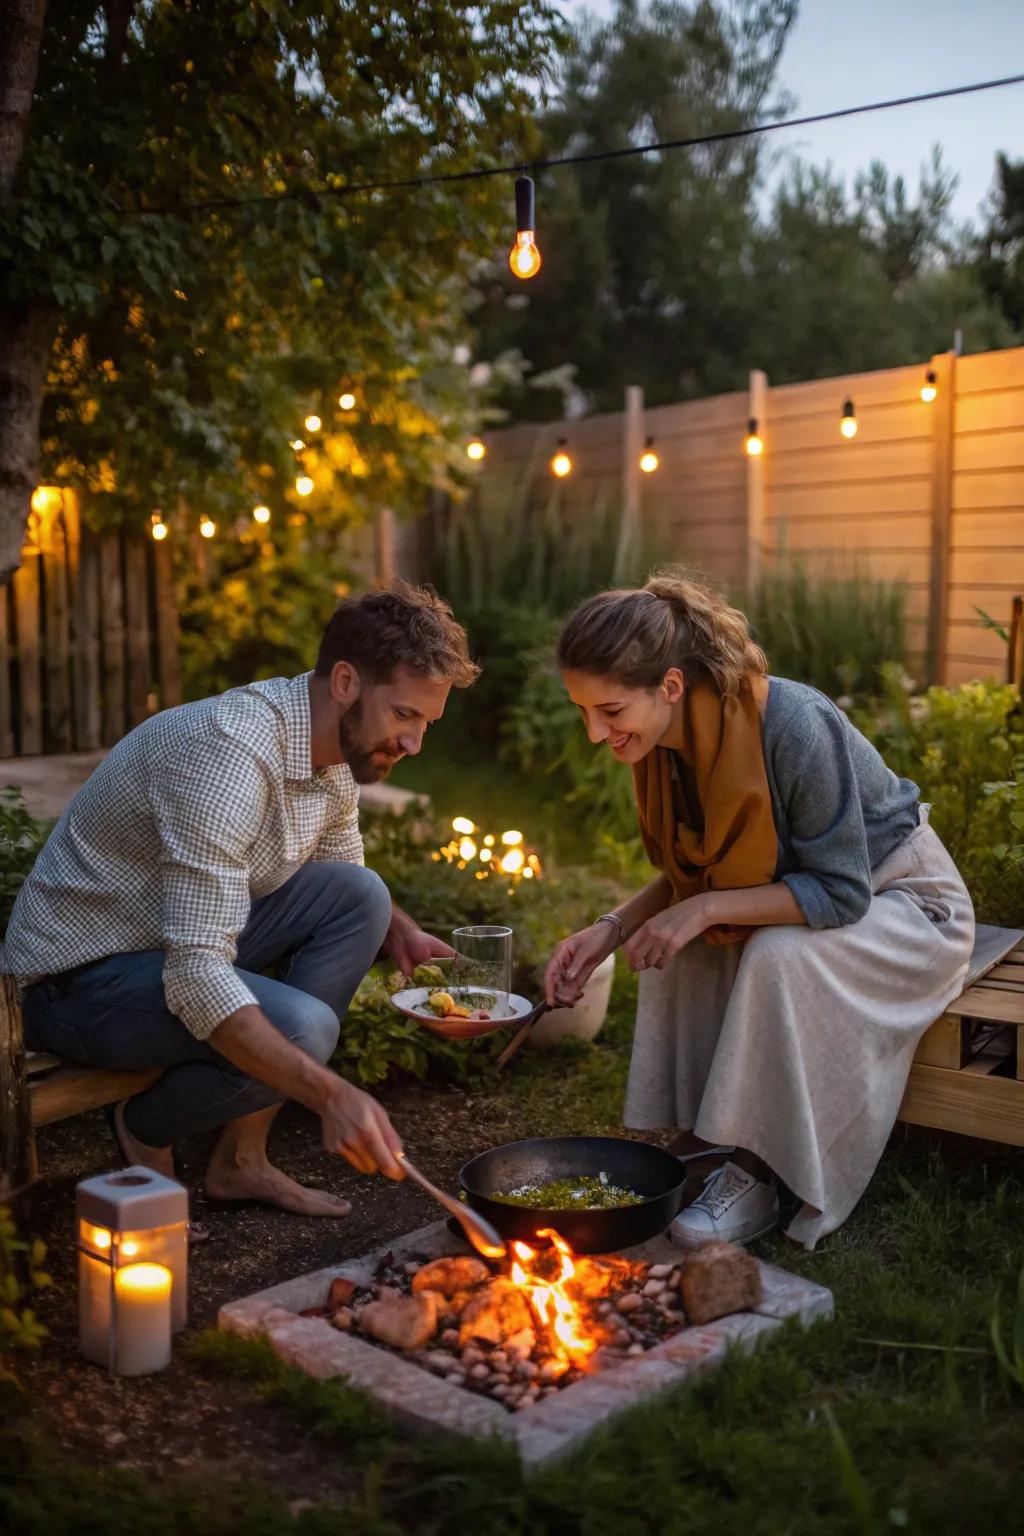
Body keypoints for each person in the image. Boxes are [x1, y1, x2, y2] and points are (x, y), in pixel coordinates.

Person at [5, 581, 478, 1217]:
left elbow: (337, 878)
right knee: (305, 1029)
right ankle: (147, 1128)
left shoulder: (332, 753)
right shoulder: (230, 754)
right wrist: (329, 1093)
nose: (416, 743)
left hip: (162, 946)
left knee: (362, 896)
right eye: (404, 715)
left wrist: (403, 934)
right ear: (345, 682)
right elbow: (198, 978)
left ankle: (239, 1161)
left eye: (426, 722)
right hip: (75, 982)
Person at [543, 570, 974, 1249]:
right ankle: (707, 1142)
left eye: (611, 711)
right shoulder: (666, 746)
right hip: (835, 895)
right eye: (585, 712)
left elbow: (839, 891)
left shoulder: (793, 722)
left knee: (775, 953)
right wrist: (607, 931)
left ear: (671, 687)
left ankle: (762, 1172)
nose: (598, 733)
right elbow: (690, 877)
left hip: (907, 905)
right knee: (675, 937)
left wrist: (707, 907)